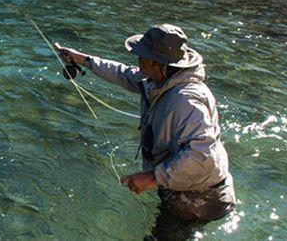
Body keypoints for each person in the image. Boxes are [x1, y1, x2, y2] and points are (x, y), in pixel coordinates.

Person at [56, 24, 235, 240]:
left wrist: (152, 177)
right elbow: (122, 74)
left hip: (200, 200)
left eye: (141, 55)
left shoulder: (185, 100)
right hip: (182, 187)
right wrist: (83, 59)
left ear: (157, 63)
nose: (137, 59)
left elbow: (204, 156)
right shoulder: (157, 79)